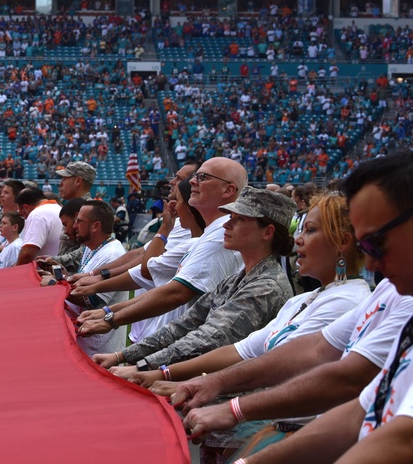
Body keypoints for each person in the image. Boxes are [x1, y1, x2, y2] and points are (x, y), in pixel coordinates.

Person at [190, 151, 413, 464]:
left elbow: (351, 384)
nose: (372, 262)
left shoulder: (353, 296)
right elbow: (354, 395)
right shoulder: (386, 289)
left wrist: (229, 405)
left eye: (376, 242)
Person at [124, 194, 370, 459]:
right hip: (253, 424)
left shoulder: (345, 300)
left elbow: (272, 362)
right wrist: (160, 372)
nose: (299, 239)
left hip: (282, 435)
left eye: (310, 230)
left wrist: (160, 371)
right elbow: (241, 349)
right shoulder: (303, 298)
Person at [92, 187, 296, 373]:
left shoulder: (267, 286)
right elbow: (184, 324)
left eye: (240, 219)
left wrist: (143, 366)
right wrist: (122, 356)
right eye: (230, 216)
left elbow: (210, 337)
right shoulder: (237, 280)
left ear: (267, 232)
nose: (227, 224)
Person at [76, 158, 246, 339]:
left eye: (203, 177)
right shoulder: (210, 233)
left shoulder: (221, 233)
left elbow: (174, 291)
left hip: (178, 350)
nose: (193, 181)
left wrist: (110, 317)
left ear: (228, 190)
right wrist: (108, 311)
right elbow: (163, 283)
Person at [65, 200, 129, 357]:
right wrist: (62, 275)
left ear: (95, 226)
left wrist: (57, 285)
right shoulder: (92, 247)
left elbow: (93, 301)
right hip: (86, 340)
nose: (74, 226)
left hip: (98, 349)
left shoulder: (112, 254)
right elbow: (81, 281)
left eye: (79, 221)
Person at [14, 187, 62, 265]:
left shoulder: (37, 214)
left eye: (23, 215)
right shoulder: (58, 208)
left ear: (26, 207)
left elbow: (28, 253)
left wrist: (16, 270)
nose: (25, 218)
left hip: (47, 271)